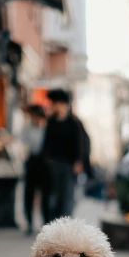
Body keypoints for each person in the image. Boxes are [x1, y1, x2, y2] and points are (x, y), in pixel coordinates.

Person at [43, 88, 84, 221]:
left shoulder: (74, 123)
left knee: (67, 195)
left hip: (68, 164)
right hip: (53, 163)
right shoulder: (51, 122)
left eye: (57, 104)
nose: (55, 107)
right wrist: (47, 159)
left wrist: (78, 161)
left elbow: (80, 144)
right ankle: (52, 223)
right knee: (53, 196)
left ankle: (65, 223)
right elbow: (47, 142)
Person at [20, 104, 48, 235]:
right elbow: (22, 144)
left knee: (45, 194)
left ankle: (46, 223)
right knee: (29, 194)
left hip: (44, 162)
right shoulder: (26, 129)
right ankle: (29, 222)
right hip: (31, 161)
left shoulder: (46, 129)